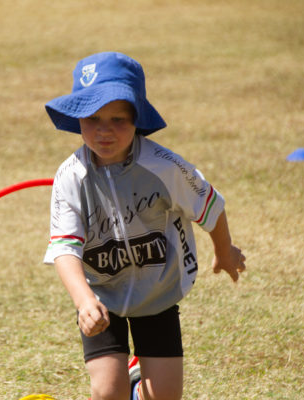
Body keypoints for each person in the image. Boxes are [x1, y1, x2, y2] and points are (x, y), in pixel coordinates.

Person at [43, 52, 246, 400]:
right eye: (93, 118)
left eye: (118, 119)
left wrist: (223, 251)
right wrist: (84, 301)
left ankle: (138, 385)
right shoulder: (70, 176)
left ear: (137, 118)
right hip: (101, 296)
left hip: (158, 293)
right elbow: (64, 248)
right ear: (77, 119)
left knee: (164, 397)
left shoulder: (164, 167)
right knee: (108, 393)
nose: (104, 130)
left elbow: (210, 203)